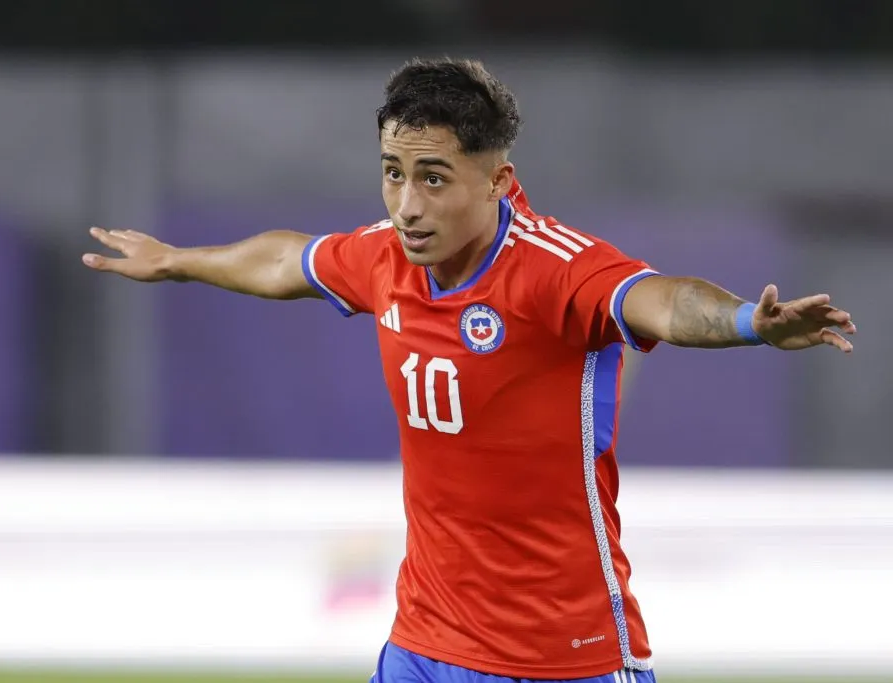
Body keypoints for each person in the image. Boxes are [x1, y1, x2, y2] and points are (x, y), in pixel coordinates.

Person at [82, 58, 855, 683]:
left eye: (433, 177)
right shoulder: (385, 258)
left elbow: (664, 301)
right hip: (426, 644)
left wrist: (752, 323)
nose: (407, 204)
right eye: (391, 172)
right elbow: (289, 258)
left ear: (497, 179)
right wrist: (178, 260)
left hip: (565, 656)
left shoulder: (555, 268)